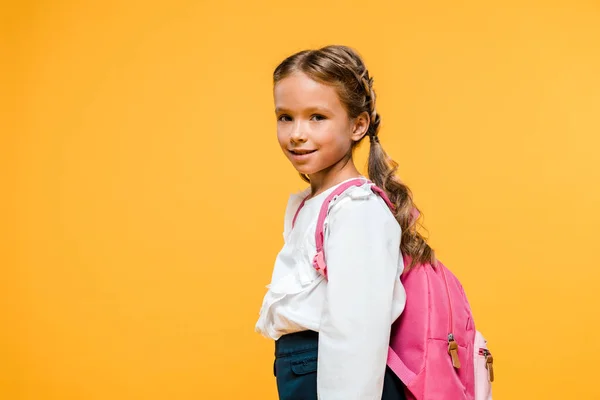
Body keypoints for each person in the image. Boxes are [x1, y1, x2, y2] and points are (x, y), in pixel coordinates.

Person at [255, 45, 435, 400]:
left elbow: (357, 336)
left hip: (336, 378)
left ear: (358, 125)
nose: (297, 133)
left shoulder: (356, 210)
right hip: (307, 373)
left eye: (317, 117)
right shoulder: (315, 206)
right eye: (285, 116)